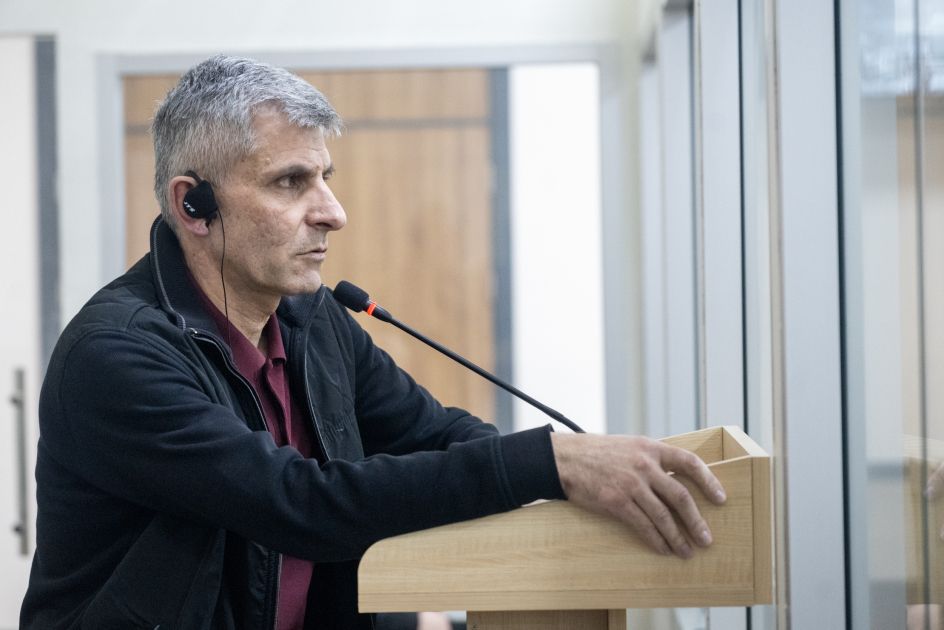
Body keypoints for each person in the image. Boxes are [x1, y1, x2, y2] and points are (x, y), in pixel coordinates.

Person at [20, 55, 727, 630]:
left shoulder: (312, 320)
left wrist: (565, 484)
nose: (333, 212)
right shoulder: (115, 356)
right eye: (291, 182)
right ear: (193, 205)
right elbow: (297, 504)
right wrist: (547, 462)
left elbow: (433, 435)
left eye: (324, 178)